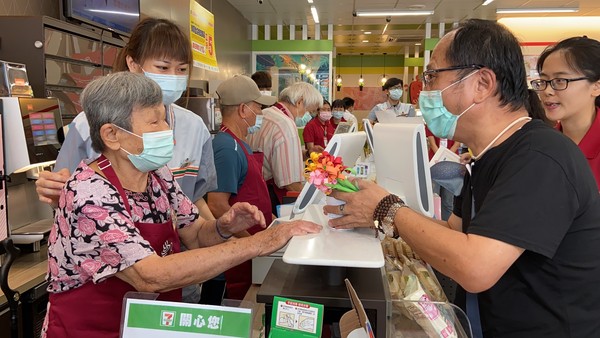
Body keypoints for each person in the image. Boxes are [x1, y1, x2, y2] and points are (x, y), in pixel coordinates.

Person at [325, 19, 600, 338]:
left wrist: (387, 209)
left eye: (431, 76)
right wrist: (376, 216)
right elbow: (457, 232)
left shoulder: (540, 155)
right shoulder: (486, 156)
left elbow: (475, 267)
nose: (422, 92)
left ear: (482, 83)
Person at [41, 72, 321, 338]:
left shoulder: (157, 176)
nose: (167, 130)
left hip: (147, 326)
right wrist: (259, 243)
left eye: (165, 120)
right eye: (154, 123)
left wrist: (224, 227)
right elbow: (150, 276)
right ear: (112, 135)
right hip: (93, 330)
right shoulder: (90, 194)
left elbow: (196, 234)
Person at [35, 17, 217, 303]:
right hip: (105, 286)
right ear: (134, 64)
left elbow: (196, 200)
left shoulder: (195, 127)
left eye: (182, 69)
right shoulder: (92, 124)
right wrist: (51, 189)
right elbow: (65, 191)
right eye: (162, 67)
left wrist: (221, 236)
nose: (173, 76)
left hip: (179, 272)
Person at [207, 75, 276, 300]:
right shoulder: (226, 147)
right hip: (237, 257)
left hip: (251, 250)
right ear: (244, 109)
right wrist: (251, 243)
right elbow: (217, 204)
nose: (261, 113)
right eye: (258, 107)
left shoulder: (239, 143)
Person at [533, 36, 600, 189]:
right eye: (544, 81)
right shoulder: (542, 146)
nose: (547, 91)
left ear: (596, 87)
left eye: (560, 80)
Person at [247, 82, 323, 213]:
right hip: (272, 197)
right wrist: (317, 200)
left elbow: (272, 152)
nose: (308, 116)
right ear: (299, 102)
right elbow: (290, 183)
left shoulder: (265, 113)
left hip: (253, 191)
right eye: (309, 111)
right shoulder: (286, 124)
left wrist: (308, 153)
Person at [425, 126, 460, 221]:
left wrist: (447, 157)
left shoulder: (456, 123)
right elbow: (432, 144)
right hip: (435, 164)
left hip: (451, 164)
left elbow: (456, 144)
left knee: (448, 200)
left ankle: (447, 225)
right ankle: (433, 224)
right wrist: (440, 158)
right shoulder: (431, 122)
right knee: (433, 198)